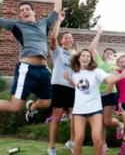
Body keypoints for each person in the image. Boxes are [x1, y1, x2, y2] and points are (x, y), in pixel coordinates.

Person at [0, 0, 62, 122]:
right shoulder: (16, 25)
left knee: (46, 102)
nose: (24, 11)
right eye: (21, 11)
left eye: (27, 9)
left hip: (44, 70)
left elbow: (57, 10)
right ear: (20, 15)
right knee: (14, 106)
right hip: (27, 69)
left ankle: (31, 108)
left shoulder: (44, 23)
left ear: (33, 11)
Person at [64, 49, 125, 155]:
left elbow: (109, 80)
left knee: (97, 138)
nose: (85, 58)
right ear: (79, 59)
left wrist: (121, 75)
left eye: (88, 56)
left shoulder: (96, 71)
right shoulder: (75, 72)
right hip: (79, 110)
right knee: (78, 138)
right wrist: (69, 80)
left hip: (95, 109)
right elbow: (77, 85)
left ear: (90, 59)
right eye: (83, 56)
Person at [89, 25, 124, 154]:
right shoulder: (98, 62)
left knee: (107, 121)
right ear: (103, 55)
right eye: (107, 53)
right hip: (98, 95)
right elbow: (92, 48)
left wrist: (108, 92)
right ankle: (103, 146)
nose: (109, 55)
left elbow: (113, 81)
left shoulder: (114, 66)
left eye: (111, 54)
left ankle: (120, 125)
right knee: (101, 123)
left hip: (110, 95)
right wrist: (98, 33)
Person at [48, 12, 76, 155]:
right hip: (58, 85)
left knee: (74, 116)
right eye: (66, 37)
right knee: (57, 116)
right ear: (62, 40)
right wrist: (59, 20)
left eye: (71, 37)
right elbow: (52, 37)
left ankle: (72, 142)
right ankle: (51, 147)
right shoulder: (57, 51)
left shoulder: (75, 55)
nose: (69, 39)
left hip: (72, 87)